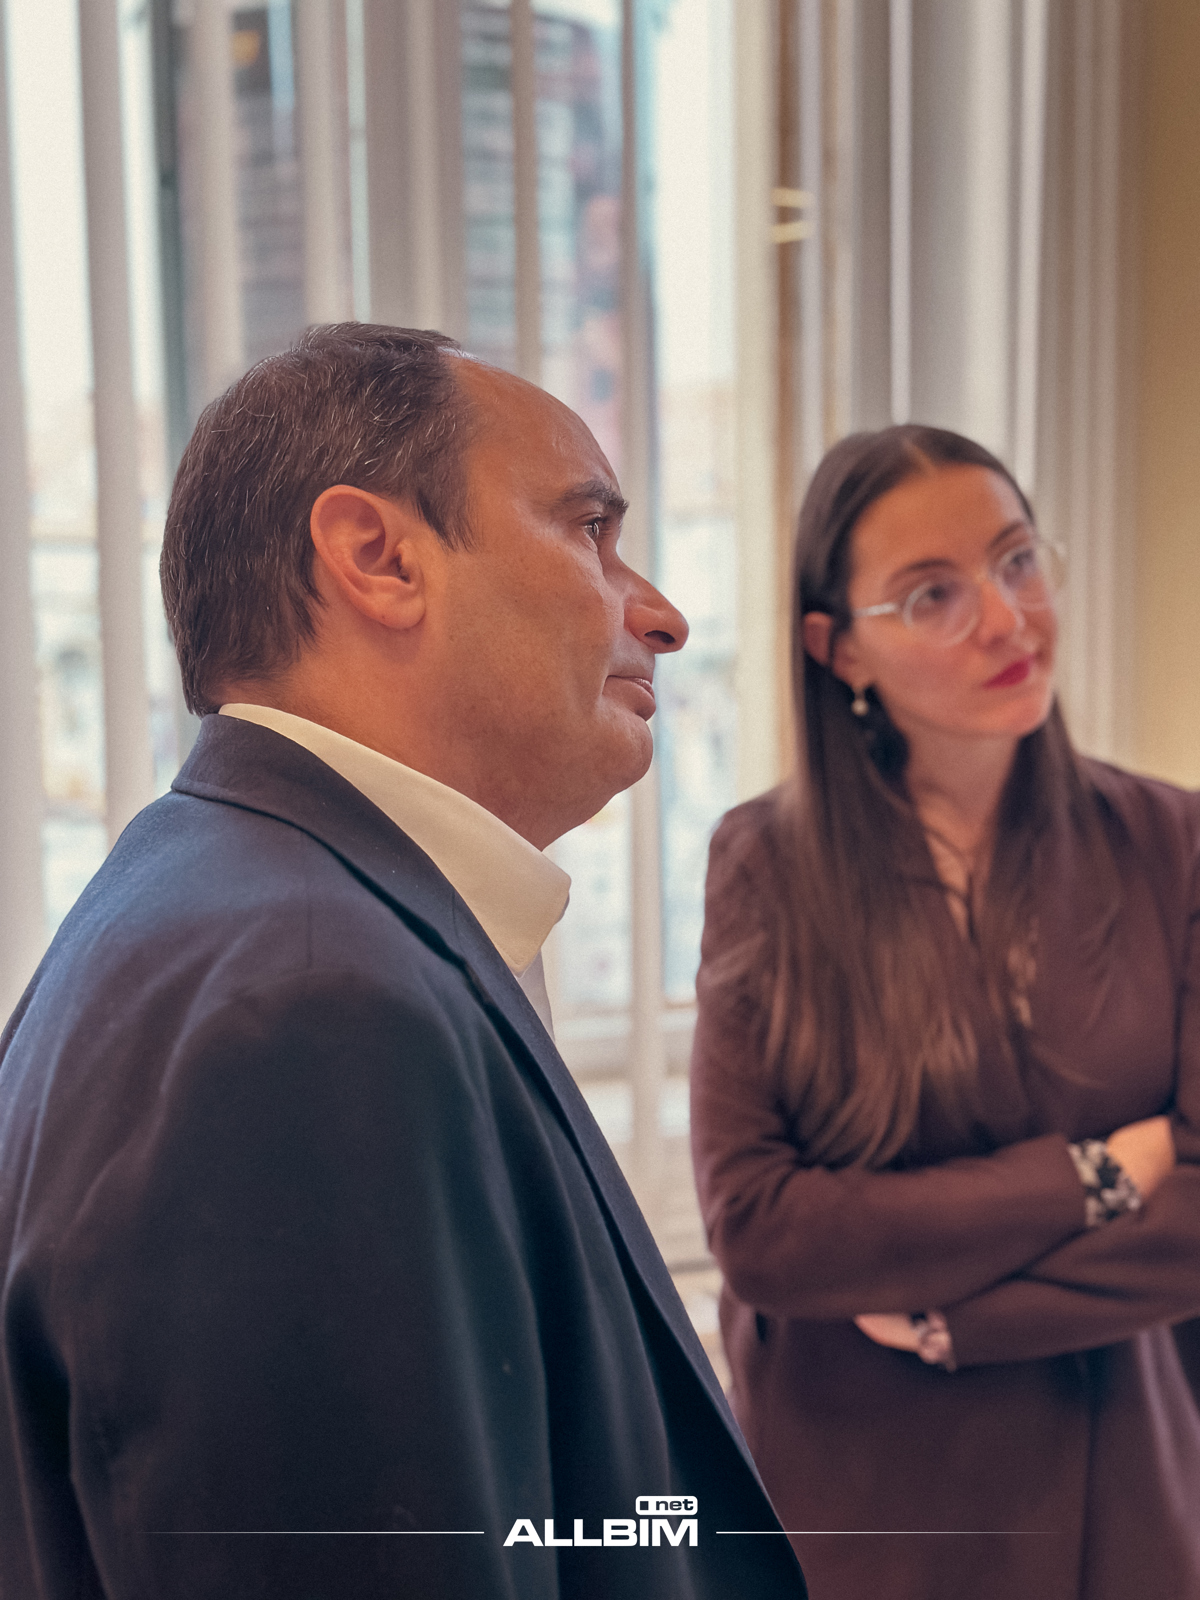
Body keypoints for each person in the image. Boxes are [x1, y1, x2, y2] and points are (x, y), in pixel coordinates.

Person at [0, 325, 806, 1599]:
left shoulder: (234, 905)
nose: (662, 613)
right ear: (377, 558)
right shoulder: (308, 1009)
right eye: (590, 531)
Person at [690, 423, 1200, 1600]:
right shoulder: (766, 864)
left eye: (1017, 560)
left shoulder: (1171, 842)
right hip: (864, 1507)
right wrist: (1091, 1178)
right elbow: (762, 1227)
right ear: (838, 650)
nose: (1008, 619)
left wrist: (953, 1321)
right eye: (934, 594)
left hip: (1122, 1486)